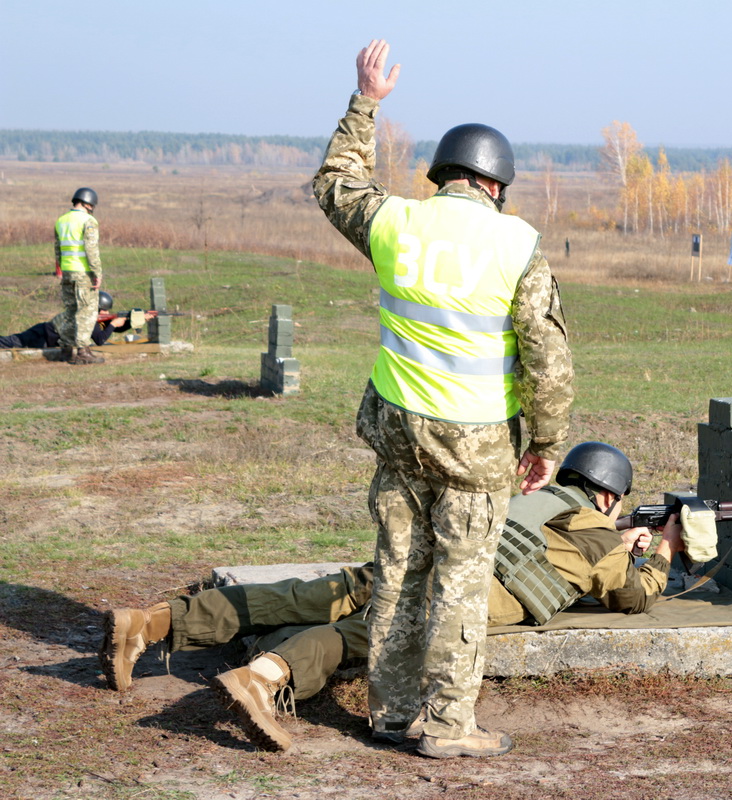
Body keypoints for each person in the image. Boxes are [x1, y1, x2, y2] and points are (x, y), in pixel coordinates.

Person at [312, 40, 574, 759]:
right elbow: (547, 358)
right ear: (495, 183)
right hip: (476, 444)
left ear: (443, 177)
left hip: (400, 435)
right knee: (461, 579)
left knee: (398, 572)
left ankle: (392, 713)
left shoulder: (397, 223)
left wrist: (366, 102)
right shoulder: (516, 244)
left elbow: (335, 181)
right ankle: (449, 724)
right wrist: (547, 444)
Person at [98, 443, 684, 754]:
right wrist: (661, 548)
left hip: (417, 561)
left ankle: (150, 623)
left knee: (301, 596)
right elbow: (633, 596)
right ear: (609, 497)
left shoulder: (529, 497)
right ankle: (262, 679)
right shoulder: (602, 536)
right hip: (458, 594)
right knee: (357, 637)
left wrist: (619, 535)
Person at [55, 187, 106, 365]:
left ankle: (66, 349)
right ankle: (83, 351)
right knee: (87, 311)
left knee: (70, 311)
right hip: (83, 273)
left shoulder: (61, 220)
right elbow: (91, 250)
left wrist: (62, 270)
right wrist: (97, 273)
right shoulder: (88, 221)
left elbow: (58, 250)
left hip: (67, 272)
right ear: (88, 204)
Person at [0, 291, 129, 350]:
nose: (107, 313)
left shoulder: (90, 316)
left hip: (46, 336)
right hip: (41, 335)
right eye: (105, 310)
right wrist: (113, 324)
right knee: (9, 342)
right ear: (97, 309)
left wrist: (130, 322)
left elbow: (109, 330)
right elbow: (100, 340)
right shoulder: (87, 317)